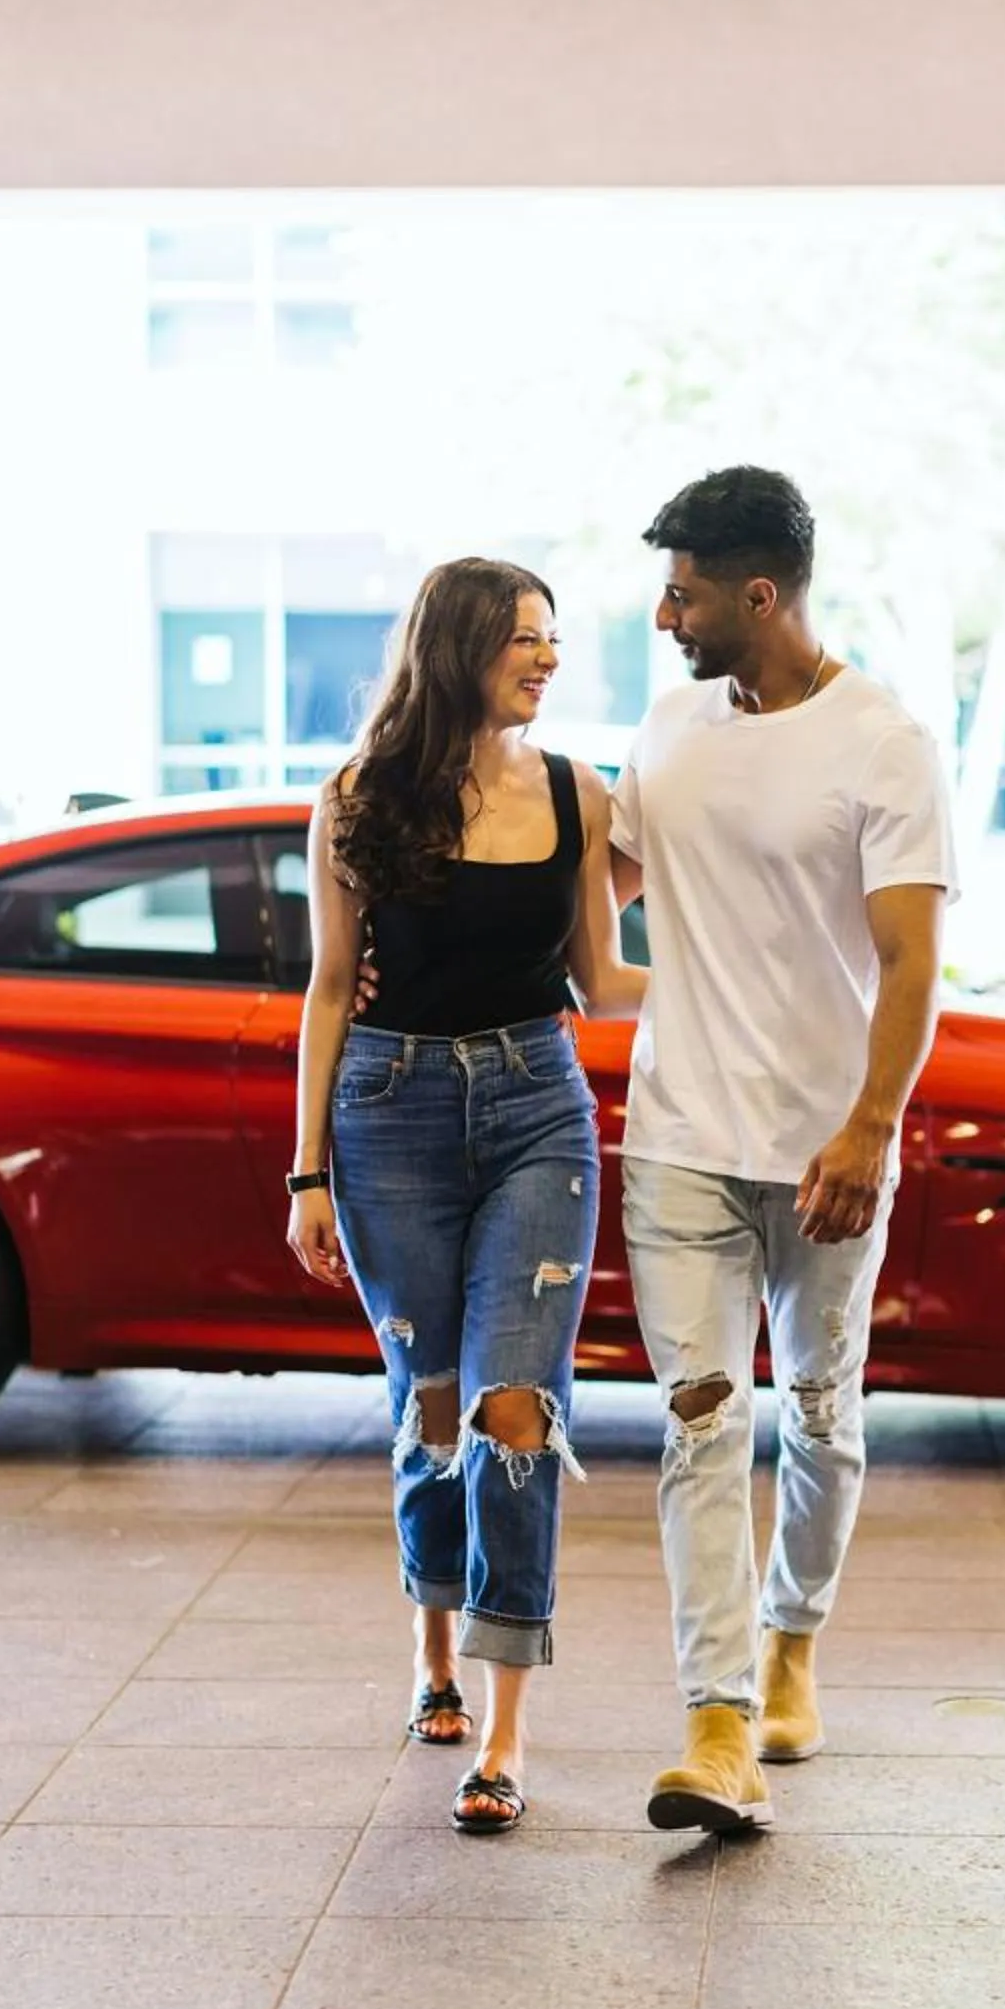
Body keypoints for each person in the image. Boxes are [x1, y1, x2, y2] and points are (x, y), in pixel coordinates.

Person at [610, 467, 955, 1835]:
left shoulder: (883, 743)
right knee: (702, 1420)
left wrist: (870, 1126)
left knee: (817, 1408)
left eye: (683, 594)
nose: (664, 617)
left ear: (759, 596)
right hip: (680, 1134)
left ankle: (790, 1644)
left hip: (824, 1149)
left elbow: (911, 961)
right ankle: (716, 1724)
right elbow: (596, 889)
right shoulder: (667, 728)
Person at [288, 557, 643, 1834]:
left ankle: (502, 1732)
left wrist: (764, 989)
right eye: (521, 639)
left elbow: (602, 978)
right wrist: (307, 1171)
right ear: (456, 648)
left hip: (538, 1105)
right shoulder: (355, 798)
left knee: (515, 1408)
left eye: (552, 639)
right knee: (430, 1402)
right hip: (388, 1112)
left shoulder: (579, 793)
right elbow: (330, 987)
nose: (546, 659)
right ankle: (431, 1650)